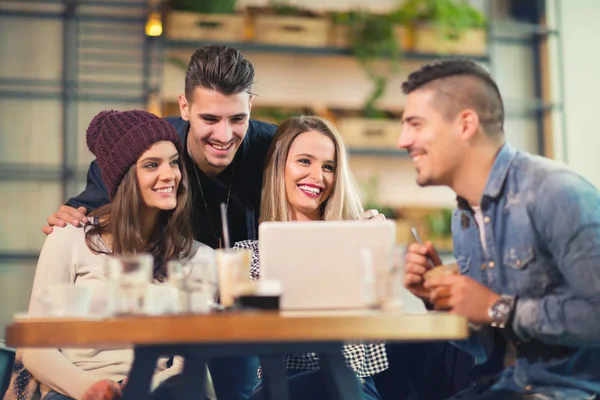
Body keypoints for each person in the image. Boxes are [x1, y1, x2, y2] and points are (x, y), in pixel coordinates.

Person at [41, 44, 274, 399]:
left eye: (237, 119)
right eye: (210, 119)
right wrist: (70, 218)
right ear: (184, 107)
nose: (225, 136)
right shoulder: (147, 144)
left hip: (229, 302)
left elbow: (321, 197)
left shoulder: (274, 149)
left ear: (250, 107)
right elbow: (93, 216)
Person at [399, 59, 600, 399]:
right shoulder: (463, 217)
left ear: (465, 124)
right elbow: (483, 349)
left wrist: (497, 307)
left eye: (415, 124)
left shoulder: (554, 191)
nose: (403, 140)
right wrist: (442, 301)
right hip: (498, 387)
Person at [20, 109, 213, 400]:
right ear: (123, 181)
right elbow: (36, 348)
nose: (169, 175)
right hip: (75, 391)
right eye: (151, 165)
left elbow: (190, 364)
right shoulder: (69, 238)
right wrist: (89, 388)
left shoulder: (199, 258)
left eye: (174, 163)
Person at [234, 116, 387, 400]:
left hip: (350, 384)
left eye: (328, 167)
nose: (318, 176)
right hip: (277, 386)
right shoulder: (247, 255)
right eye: (305, 161)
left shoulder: (357, 239)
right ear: (279, 167)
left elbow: (377, 338)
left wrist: (372, 250)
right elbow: (242, 338)